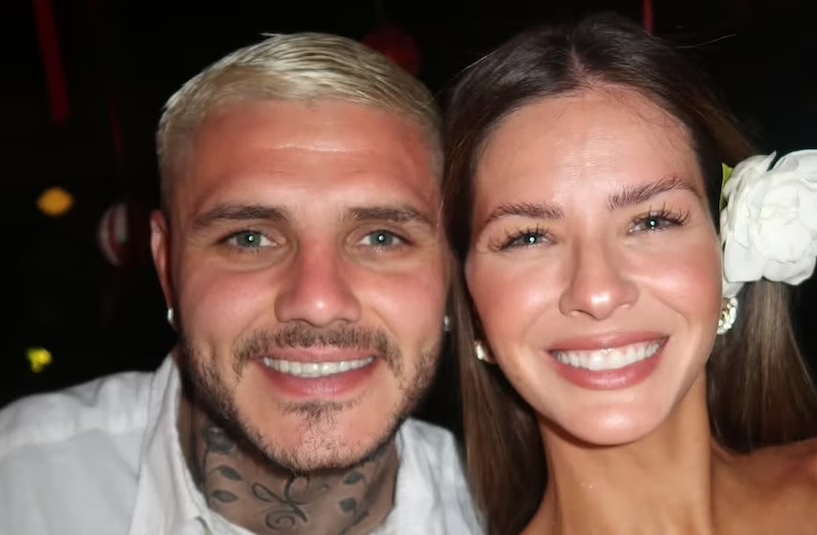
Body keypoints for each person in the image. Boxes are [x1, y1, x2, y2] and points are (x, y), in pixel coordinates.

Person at [441, 12, 817, 535]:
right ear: (473, 304)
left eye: (651, 221)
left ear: (723, 249)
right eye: (529, 237)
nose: (597, 292)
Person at [0, 32, 479, 535]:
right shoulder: (20, 485)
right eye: (249, 239)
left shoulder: (500, 512)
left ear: (448, 268)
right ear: (166, 267)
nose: (317, 302)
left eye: (382, 237)